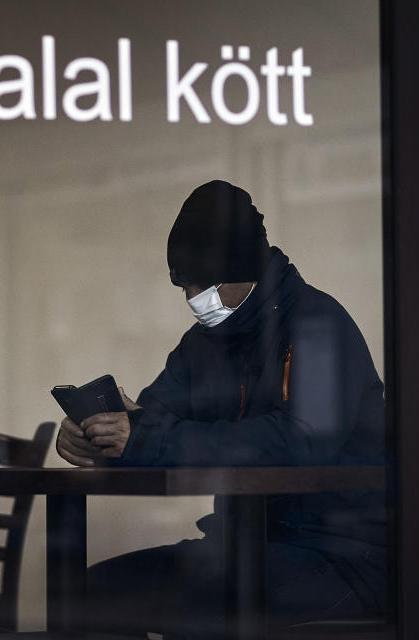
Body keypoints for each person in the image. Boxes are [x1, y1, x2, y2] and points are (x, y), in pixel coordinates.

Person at [56, 180, 386, 637]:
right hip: (240, 547)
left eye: (204, 283)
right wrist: (100, 434)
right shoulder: (206, 343)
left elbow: (297, 441)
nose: (194, 299)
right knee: (91, 594)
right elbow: (153, 419)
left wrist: (145, 435)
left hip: (342, 556)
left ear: (244, 269)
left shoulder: (319, 327)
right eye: (185, 285)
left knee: (194, 607)